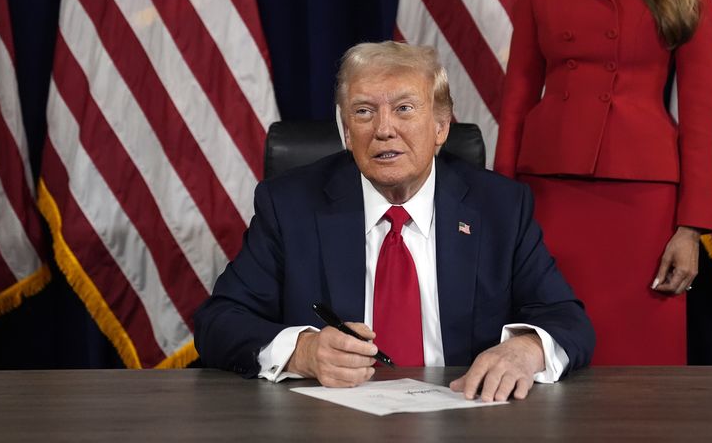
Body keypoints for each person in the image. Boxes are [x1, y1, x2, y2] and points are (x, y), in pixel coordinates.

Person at [195, 41, 594, 401]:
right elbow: (219, 323)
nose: (384, 130)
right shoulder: (291, 206)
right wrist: (303, 353)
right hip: (329, 426)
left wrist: (526, 349)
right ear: (347, 132)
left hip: (465, 417)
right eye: (364, 112)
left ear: (441, 126)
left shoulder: (500, 208)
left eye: (404, 109)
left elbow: (567, 319)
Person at [494, 0, 712, 365]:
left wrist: (691, 227)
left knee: (642, 353)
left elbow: (702, 106)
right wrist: (501, 200)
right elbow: (518, 93)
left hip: (644, 196)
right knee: (546, 344)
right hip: (549, 188)